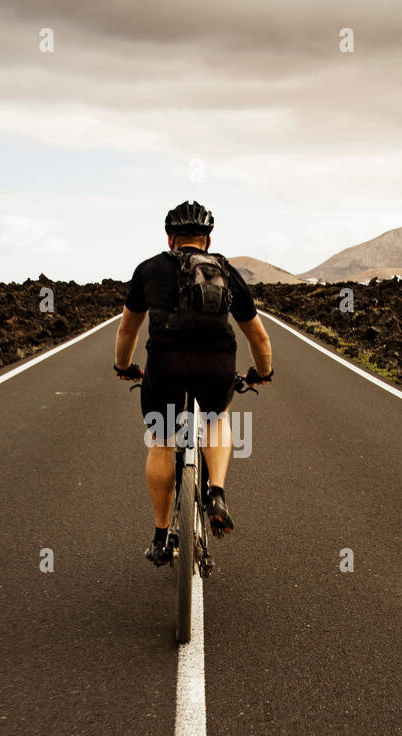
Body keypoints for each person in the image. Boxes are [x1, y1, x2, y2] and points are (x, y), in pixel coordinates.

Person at [114, 201, 274, 566]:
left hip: (165, 364)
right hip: (216, 363)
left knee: (161, 438)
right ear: (208, 239)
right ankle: (216, 492)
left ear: (170, 238)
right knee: (217, 418)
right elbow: (258, 337)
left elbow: (127, 329)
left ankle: (159, 537)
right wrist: (263, 372)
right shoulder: (225, 271)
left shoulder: (149, 270)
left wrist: (123, 365)